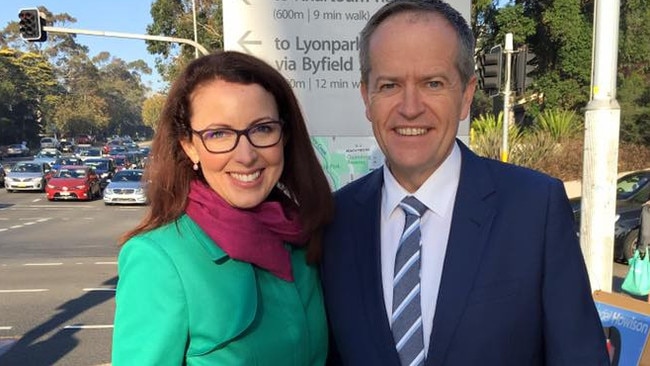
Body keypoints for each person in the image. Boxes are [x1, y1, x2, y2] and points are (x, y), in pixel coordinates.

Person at [320, 1, 609, 365]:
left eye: (433, 83)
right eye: (390, 85)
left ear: (467, 95)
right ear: (367, 97)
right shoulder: (335, 221)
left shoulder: (534, 209)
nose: (410, 107)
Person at [111, 51, 334, 365]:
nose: (246, 155)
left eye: (262, 129)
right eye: (219, 134)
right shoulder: (159, 258)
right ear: (190, 146)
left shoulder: (302, 237)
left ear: (284, 135)